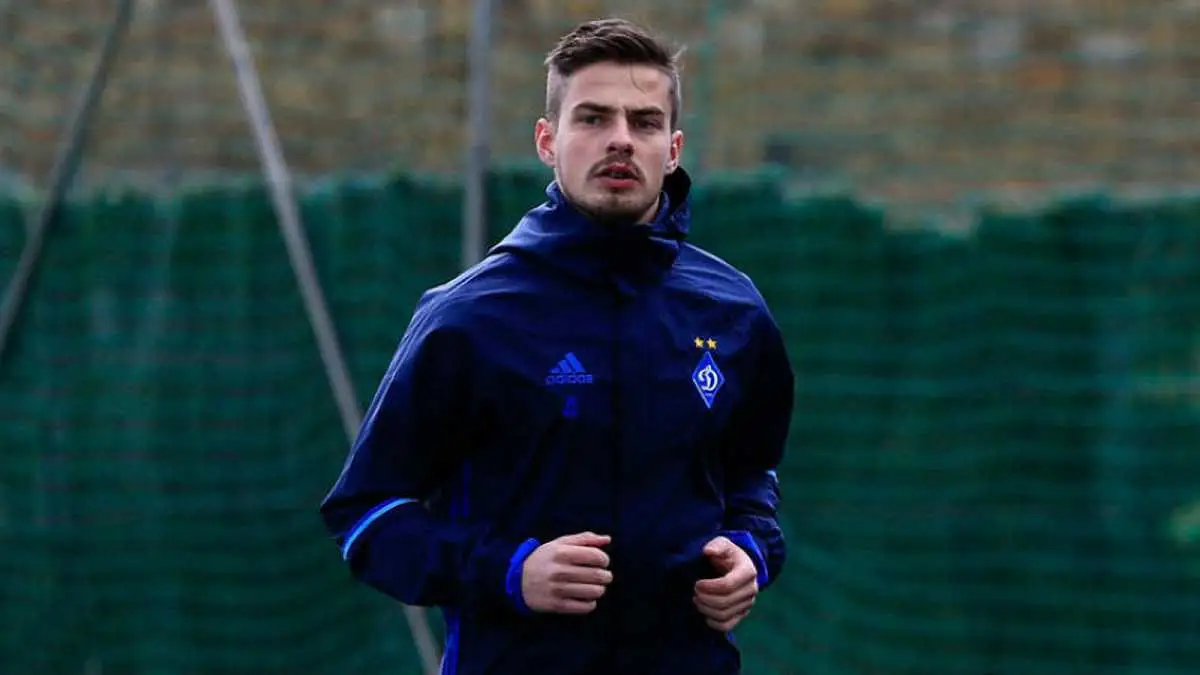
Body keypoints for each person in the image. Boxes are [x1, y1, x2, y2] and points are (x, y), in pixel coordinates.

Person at [319, 16, 795, 675]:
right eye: (593, 118)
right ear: (548, 140)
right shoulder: (469, 316)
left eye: (645, 122)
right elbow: (366, 515)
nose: (620, 139)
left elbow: (751, 474)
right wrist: (510, 571)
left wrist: (749, 551)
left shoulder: (734, 309)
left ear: (673, 147)